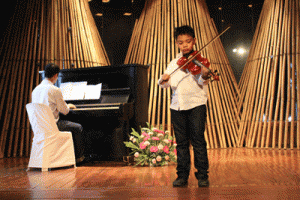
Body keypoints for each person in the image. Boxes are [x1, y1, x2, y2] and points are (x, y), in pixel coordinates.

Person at [158, 25, 210, 187]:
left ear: (194, 41)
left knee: (198, 141)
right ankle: (182, 175)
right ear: (177, 44)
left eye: (188, 41)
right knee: (181, 143)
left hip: (196, 104)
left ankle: (202, 175)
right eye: (181, 43)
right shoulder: (174, 63)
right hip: (177, 106)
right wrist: (164, 79)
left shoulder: (201, 61)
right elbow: (164, 84)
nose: (185, 45)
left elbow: (203, 82)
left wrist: (205, 74)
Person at [31, 63, 86, 165]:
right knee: (78, 127)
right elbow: (65, 111)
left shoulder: (35, 90)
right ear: (56, 75)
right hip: (53, 126)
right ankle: (79, 158)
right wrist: (68, 105)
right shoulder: (55, 90)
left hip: (39, 127)